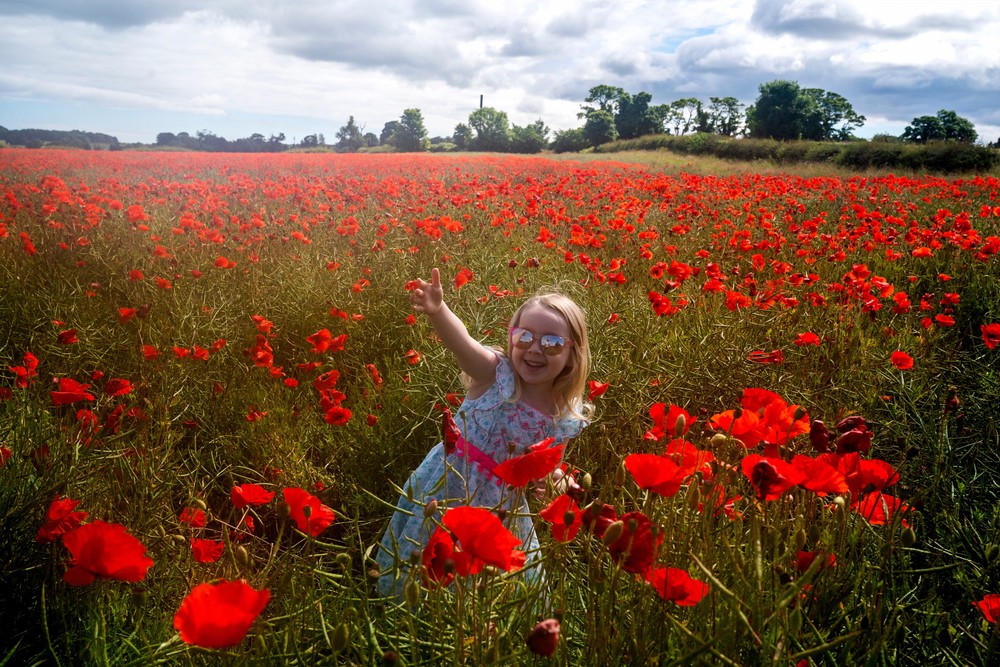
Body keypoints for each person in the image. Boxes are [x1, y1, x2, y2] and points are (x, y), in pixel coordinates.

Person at [376, 268, 593, 597]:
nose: (534, 348)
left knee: (483, 582)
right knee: (429, 555)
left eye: (551, 343)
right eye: (524, 337)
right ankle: (409, 611)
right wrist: (439, 311)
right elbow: (462, 344)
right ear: (512, 338)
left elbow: (547, 464)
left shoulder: (561, 416)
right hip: (447, 486)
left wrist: (555, 482)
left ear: (571, 354)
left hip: (501, 509)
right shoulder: (494, 373)